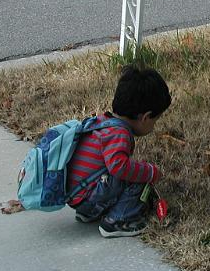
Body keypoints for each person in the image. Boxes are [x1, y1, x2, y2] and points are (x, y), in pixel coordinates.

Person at [67, 65, 170, 238]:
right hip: (89, 197)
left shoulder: (101, 122)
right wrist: (151, 172)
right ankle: (118, 221)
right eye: (155, 121)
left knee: (127, 171)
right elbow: (119, 167)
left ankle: (89, 213)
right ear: (145, 117)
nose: (153, 126)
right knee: (138, 176)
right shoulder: (119, 133)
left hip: (77, 195)